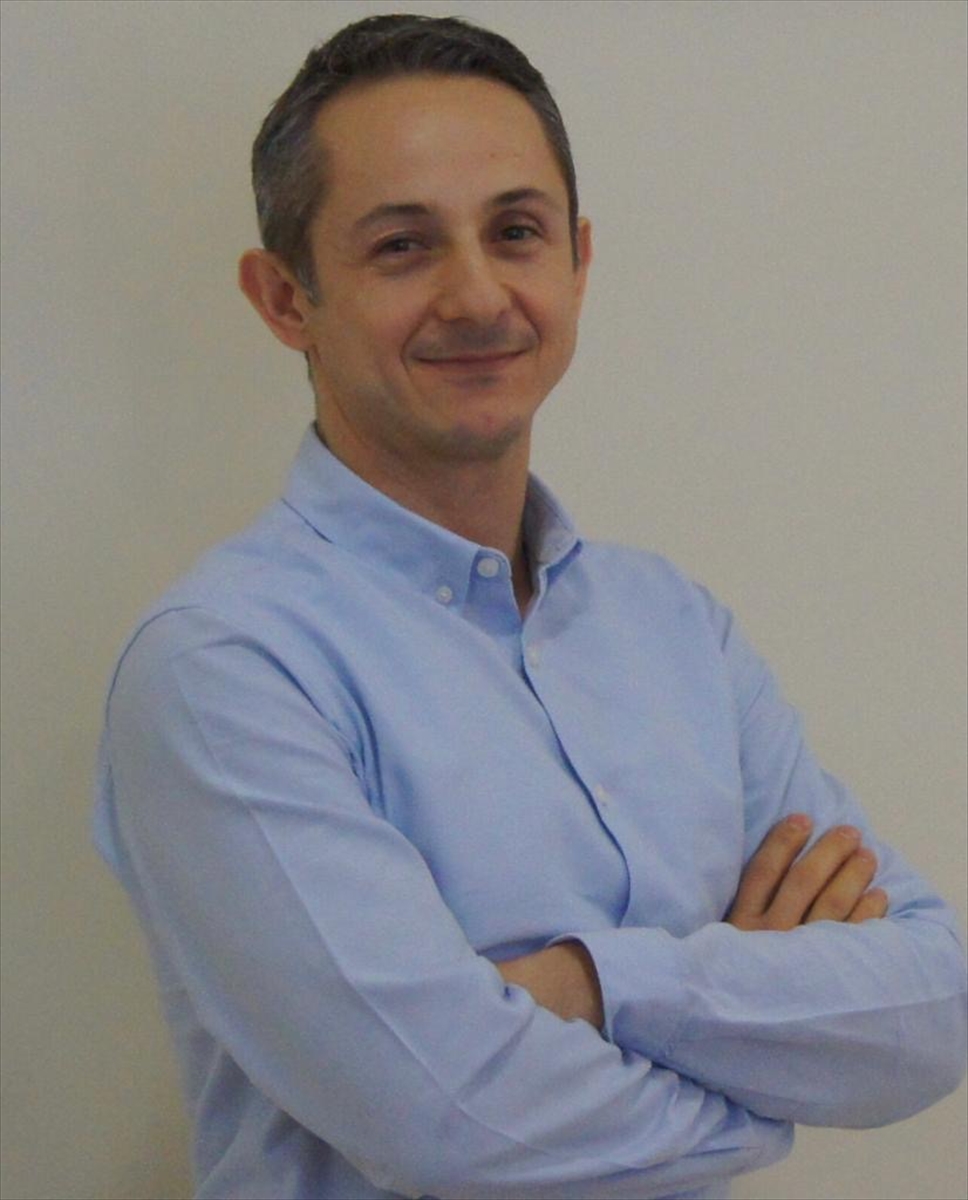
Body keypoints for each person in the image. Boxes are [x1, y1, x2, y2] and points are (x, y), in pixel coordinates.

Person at [93, 14, 967, 1200]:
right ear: (285, 299)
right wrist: (760, 1060)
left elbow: (928, 1006)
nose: (475, 295)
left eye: (515, 232)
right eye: (402, 246)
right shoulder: (224, 666)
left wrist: (584, 985)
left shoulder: (675, 630)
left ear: (576, 260)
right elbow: (446, 1122)